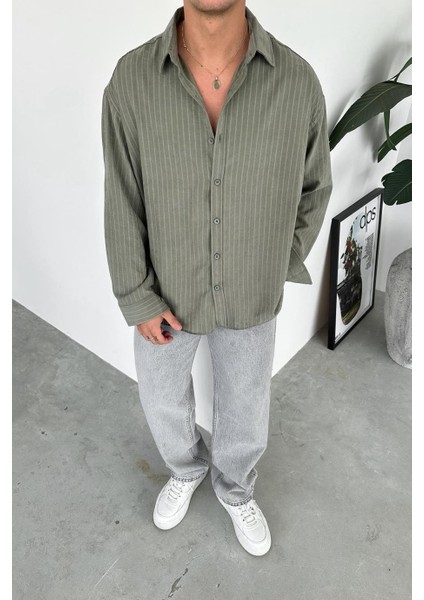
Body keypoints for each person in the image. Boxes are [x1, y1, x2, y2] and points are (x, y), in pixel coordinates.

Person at [101, 0, 333, 556]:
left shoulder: (297, 83)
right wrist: (137, 296)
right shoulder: (131, 81)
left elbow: (314, 189)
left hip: (253, 291)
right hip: (164, 291)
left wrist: (275, 261)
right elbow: (121, 196)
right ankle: (185, 469)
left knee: (247, 403)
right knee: (161, 397)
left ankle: (236, 488)